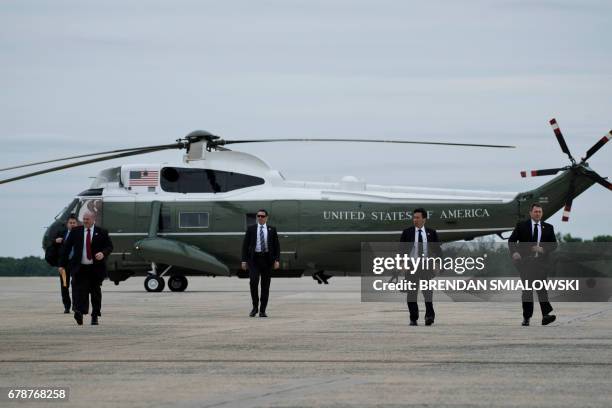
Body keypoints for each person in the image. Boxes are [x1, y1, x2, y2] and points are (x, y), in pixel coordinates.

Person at [508, 203, 558, 326]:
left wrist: (543, 249)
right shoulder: (521, 226)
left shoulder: (548, 227)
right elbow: (511, 241)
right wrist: (514, 252)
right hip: (525, 263)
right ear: (530, 213)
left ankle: (545, 316)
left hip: (541, 264)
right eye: (535, 212)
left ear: (542, 213)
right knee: (527, 291)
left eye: (540, 212)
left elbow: (554, 244)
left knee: (541, 289)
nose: (538, 214)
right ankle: (527, 317)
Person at [60, 211, 113, 326]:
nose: (85, 221)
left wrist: (103, 253)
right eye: (83, 219)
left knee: (95, 293)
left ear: (93, 219)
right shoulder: (76, 232)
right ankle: (79, 312)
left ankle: (95, 315)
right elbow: (66, 249)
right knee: (79, 292)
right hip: (80, 268)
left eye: (87, 219)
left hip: (95, 268)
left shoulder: (102, 232)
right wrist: (62, 265)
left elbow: (109, 246)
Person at [400, 208, 441, 326]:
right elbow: (401, 250)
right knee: (411, 293)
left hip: (426, 266)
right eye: (414, 218)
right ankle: (413, 318)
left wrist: (437, 263)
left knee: (427, 292)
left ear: (424, 219)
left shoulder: (431, 233)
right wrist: (402, 262)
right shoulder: (407, 232)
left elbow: (437, 250)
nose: (415, 220)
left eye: (417, 218)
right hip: (412, 266)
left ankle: (429, 316)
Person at [241, 209, 280, 317]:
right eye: (258, 216)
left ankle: (262, 310)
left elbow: (276, 246)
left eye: (262, 216)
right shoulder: (251, 229)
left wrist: (277, 260)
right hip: (254, 260)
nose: (260, 218)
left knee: (265, 285)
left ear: (266, 217)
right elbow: (245, 246)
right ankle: (254, 307)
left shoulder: (272, 229)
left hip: (267, 260)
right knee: (253, 282)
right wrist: (244, 260)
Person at [54, 215, 78, 313]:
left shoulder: (81, 234)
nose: (72, 225)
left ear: (77, 224)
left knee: (76, 285)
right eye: (70, 223)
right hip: (64, 265)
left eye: (74, 223)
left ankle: (76, 306)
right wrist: (55, 241)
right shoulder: (62, 234)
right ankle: (67, 306)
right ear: (67, 224)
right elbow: (55, 250)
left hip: (76, 264)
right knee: (64, 285)